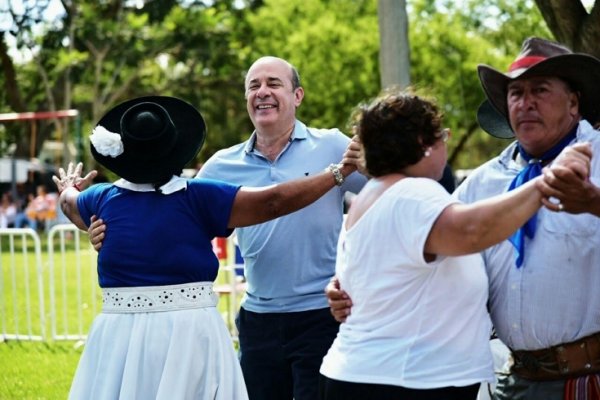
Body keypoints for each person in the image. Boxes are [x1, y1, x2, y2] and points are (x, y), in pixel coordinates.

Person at [327, 37, 600, 400]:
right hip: (513, 378)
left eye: (540, 89)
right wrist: (352, 284)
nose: (525, 102)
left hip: (586, 380)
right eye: (515, 92)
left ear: (574, 103)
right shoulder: (484, 182)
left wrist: (593, 202)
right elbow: (433, 245)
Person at [53, 95, 357, 400]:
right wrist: (336, 174)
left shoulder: (100, 198)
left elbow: (71, 206)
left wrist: (68, 188)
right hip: (187, 329)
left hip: (119, 332)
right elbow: (272, 201)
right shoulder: (198, 197)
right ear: (174, 147)